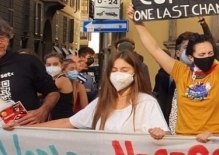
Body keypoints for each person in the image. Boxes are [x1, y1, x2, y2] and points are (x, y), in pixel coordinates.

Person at [129, 0, 219, 136]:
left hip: (216, 141)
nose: (207, 56)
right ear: (191, 57)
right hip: (185, 142)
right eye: (202, 54)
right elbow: (155, 49)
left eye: (210, 53)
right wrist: (137, 22)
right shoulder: (181, 72)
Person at [3, 51, 170, 140]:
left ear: (135, 73)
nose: (118, 74)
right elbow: (68, 123)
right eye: (114, 70)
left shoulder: (146, 102)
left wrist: (159, 134)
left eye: (124, 70)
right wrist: (23, 128)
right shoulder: (102, 103)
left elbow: (164, 135)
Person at [0, 18, 59, 125]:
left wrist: (42, 111)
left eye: (3, 38)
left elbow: (53, 92)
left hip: (26, 133)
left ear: (8, 40)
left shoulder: (26, 62)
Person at [44, 54, 77, 120]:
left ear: (61, 65)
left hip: (63, 119)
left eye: (55, 64)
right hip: (56, 119)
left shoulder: (62, 80)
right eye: (48, 65)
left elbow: (43, 89)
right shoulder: (53, 79)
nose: (52, 67)